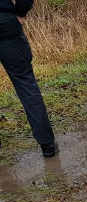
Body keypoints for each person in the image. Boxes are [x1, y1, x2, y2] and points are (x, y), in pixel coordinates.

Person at [0, 0, 58, 157]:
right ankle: (47, 145)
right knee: (26, 86)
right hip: (6, 24)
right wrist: (21, 12)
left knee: (26, 84)